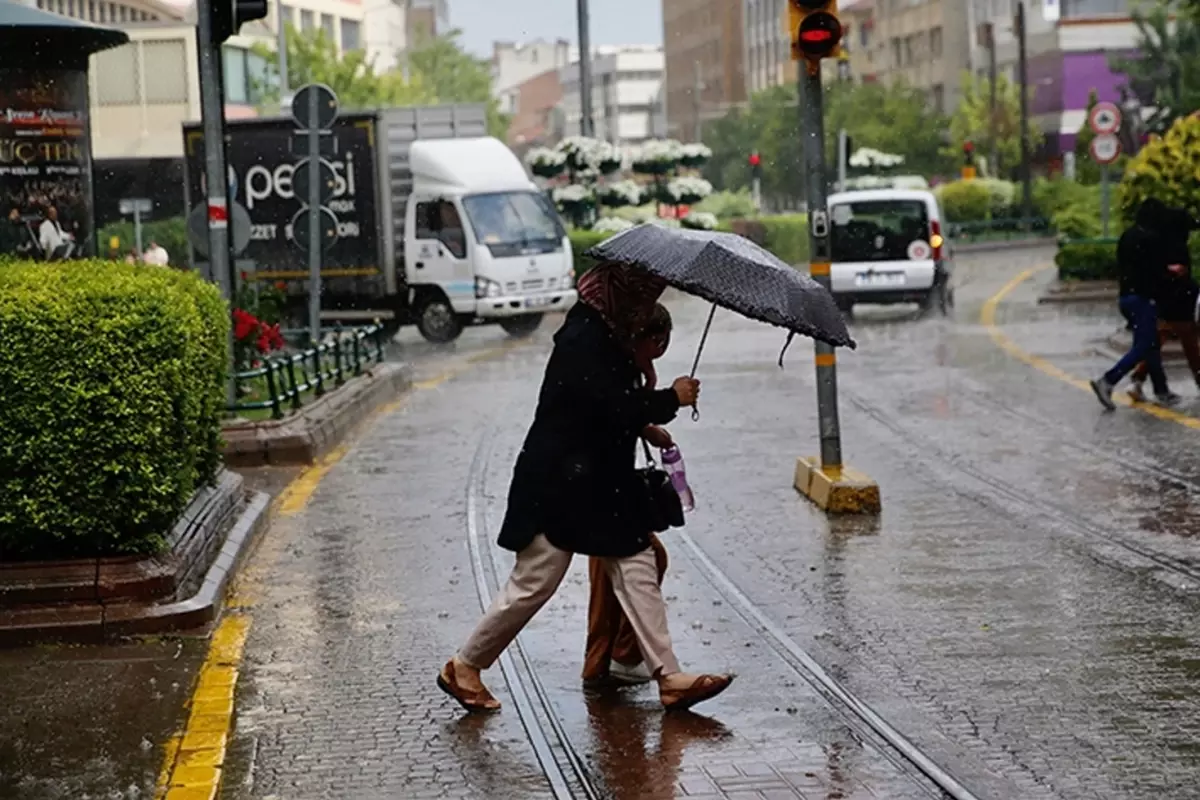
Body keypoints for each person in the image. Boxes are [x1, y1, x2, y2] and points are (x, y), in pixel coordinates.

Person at [438, 263, 733, 713]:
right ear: (618, 294)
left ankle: (669, 676)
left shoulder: (606, 334)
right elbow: (605, 405)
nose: (643, 308)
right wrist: (670, 398)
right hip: (560, 486)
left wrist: (646, 424)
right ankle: (464, 666)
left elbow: (604, 409)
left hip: (598, 487)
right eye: (639, 297)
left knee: (636, 563)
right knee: (536, 581)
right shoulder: (584, 339)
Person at [583, 303, 675, 685]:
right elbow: (611, 413)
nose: (660, 352)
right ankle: (612, 658)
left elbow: (625, 412)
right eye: (659, 344)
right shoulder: (614, 367)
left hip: (607, 486)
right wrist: (667, 397)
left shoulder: (631, 369)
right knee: (627, 569)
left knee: (615, 577)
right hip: (597, 486)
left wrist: (647, 427)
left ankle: (614, 657)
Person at [1091, 198, 1179, 409]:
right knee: (1145, 345)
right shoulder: (1152, 239)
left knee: (1150, 346)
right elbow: (1156, 272)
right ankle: (1108, 380)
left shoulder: (1127, 236)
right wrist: (1172, 272)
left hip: (1126, 298)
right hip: (1143, 300)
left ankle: (1161, 390)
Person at [1129, 207, 1200, 400]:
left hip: (1165, 301)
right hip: (1180, 303)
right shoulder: (1178, 247)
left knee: (1161, 339)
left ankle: (1138, 378)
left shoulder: (1160, 243)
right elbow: (1181, 275)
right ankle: (1139, 377)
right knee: (1189, 343)